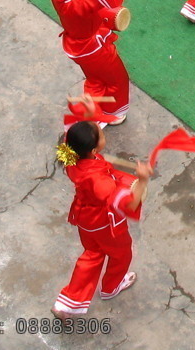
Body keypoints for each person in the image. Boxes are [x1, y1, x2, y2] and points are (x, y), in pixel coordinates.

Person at [51, 121, 152, 317]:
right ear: (94, 148)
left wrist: (88, 113)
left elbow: (78, 133)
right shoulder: (100, 183)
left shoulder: (73, 156)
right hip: (103, 224)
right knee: (121, 254)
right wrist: (142, 180)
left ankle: (67, 304)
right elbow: (128, 204)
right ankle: (111, 287)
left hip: (85, 219)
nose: (103, 134)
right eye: (101, 134)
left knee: (92, 254)